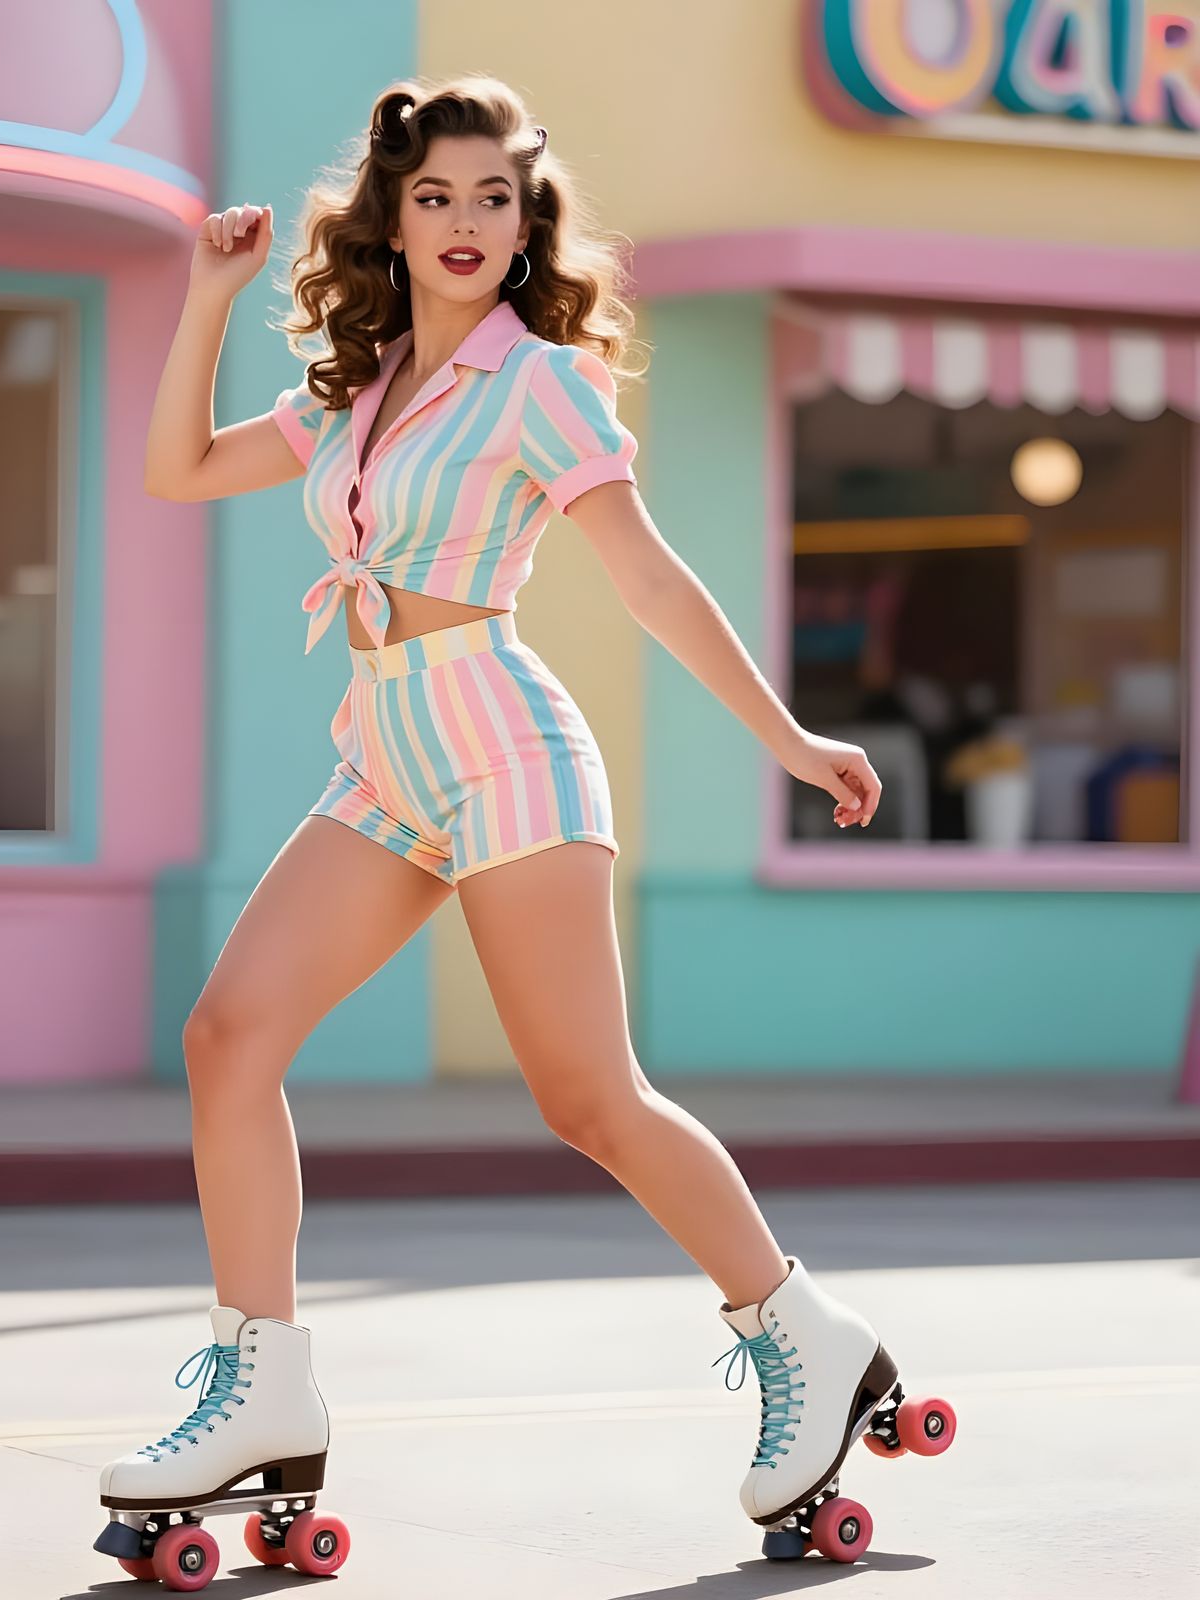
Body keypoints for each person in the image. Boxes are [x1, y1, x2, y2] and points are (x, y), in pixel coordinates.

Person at [94, 76, 951, 1585]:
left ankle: (807, 1338)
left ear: (526, 217)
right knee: (229, 1037)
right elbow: (174, 472)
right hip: (383, 750)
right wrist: (206, 294)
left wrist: (792, 741)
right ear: (393, 220)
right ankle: (264, 1385)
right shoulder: (353, 394)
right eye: (438, 198)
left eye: (496, 198)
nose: (469, 223)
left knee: (588, 1097)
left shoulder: (543, 382)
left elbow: (650, 578)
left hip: (502, 740)